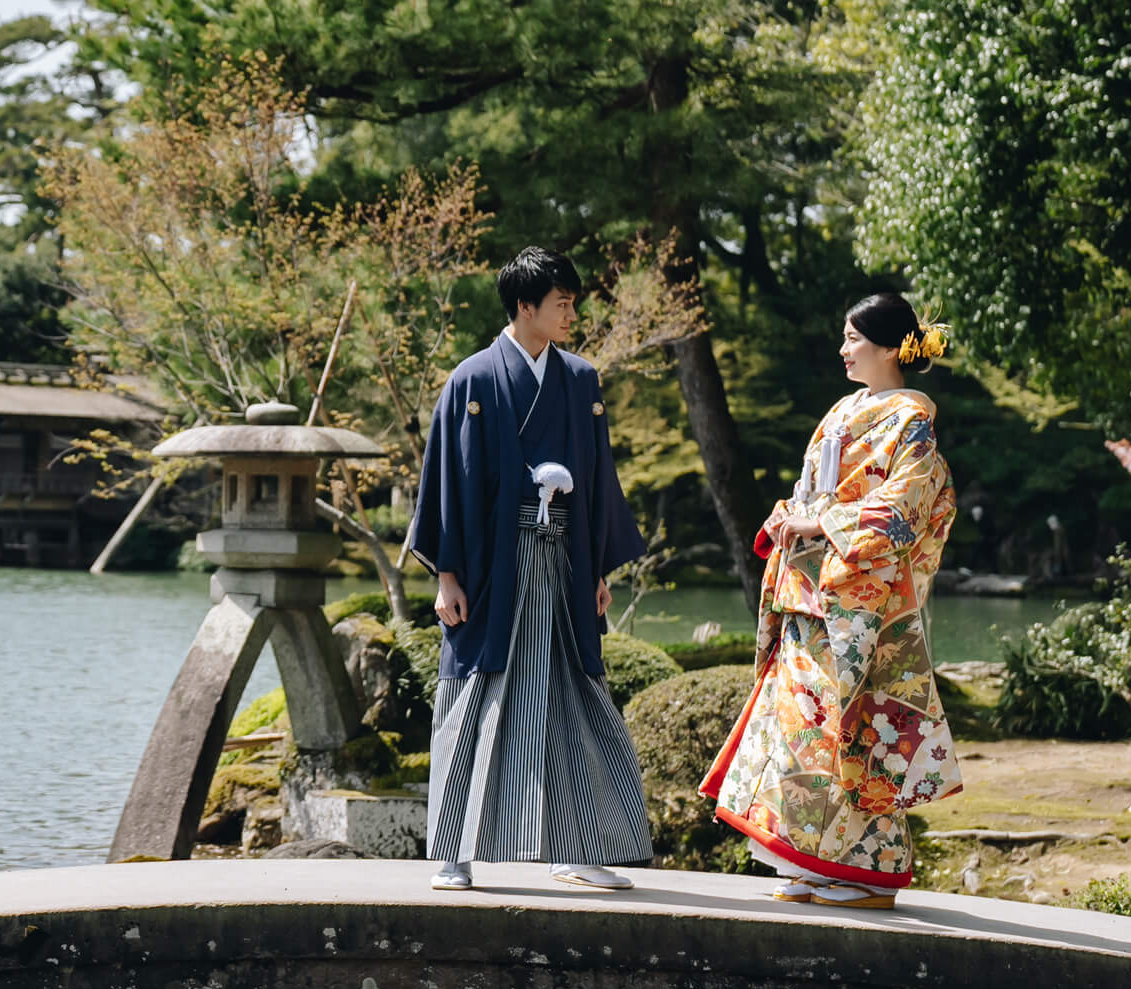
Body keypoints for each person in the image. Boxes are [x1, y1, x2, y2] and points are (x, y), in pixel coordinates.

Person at [404, 246, 652, 893]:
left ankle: (573, 847)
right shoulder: (472, 381)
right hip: (493, 565)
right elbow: (447, 483)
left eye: (573, 303)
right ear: (525, 307)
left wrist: (597, 566)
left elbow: (596, 478)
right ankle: (453, 852)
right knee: (474, 696)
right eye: (561, 303)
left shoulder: (581, 380)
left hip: (564, 564)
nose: (572, 313)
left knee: (569, 695)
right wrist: (447, 576)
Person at [703, 294, 961, 910]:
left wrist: (824, 525)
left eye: (852, 338)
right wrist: (792, 516)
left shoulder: (912, 419)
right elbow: (807, 492)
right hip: (809, 592)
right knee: (801, 735)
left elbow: (908, 507)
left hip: (860, 601)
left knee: (856, 732)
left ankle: (869, 872)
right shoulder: (842, 411)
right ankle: (821, 865)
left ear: (890, 346)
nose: (842, 349)